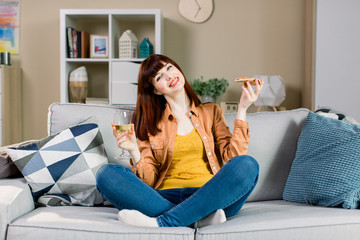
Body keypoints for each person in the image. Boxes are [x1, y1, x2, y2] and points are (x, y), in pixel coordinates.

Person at [96, 54, 264, 228]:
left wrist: (242, 108)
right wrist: (134, 151)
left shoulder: (211, 111)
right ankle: (197, 219)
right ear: (156, 90)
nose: (168, 76)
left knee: (248, 165)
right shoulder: (149, 123)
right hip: (164, 196)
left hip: (212, 196)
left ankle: (164, 222)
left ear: (177, 68)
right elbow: (149, 183)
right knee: (106, 174)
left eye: (169, 67)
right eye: (159, 77)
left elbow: (234, 158)